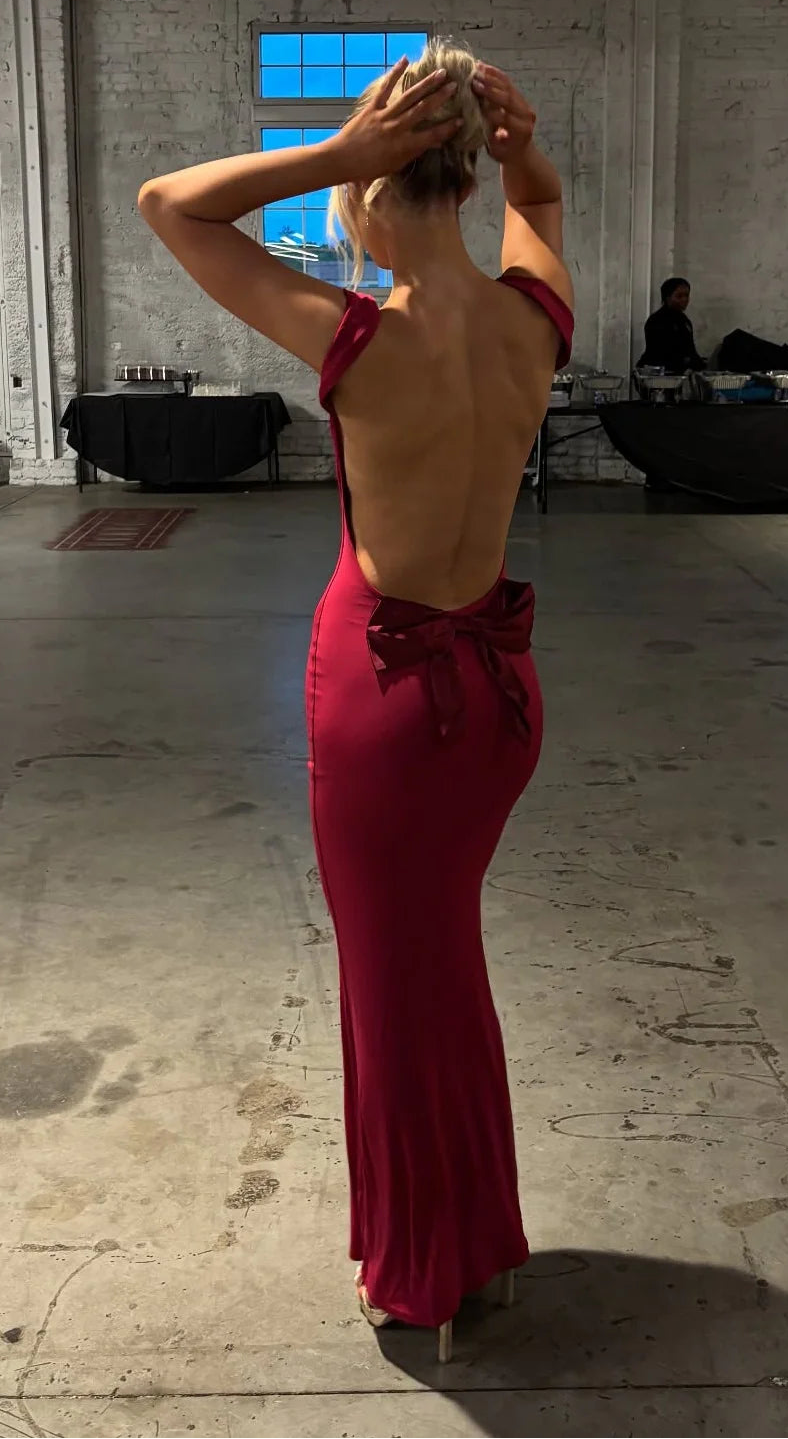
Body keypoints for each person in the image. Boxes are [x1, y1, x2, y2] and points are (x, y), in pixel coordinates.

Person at [138, 43, 573, 1357]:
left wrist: (336, 152)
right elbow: (542, 209)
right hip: (496, 696)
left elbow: (171, 204)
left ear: (370, 190)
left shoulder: (354, 333)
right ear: (465, 182)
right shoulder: (529, 319)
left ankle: (422, 1268)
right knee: (441, 965)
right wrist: (521, 152)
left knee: (395, 986)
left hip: (388, 703)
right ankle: (476, 1241)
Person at [640, 277, 705, 373]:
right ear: (667, 298)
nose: (684, 299)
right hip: (659, 374)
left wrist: (700, 365)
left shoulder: (685, 321)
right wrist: (686, 362)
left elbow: (690, 350)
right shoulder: (656, 320)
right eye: (679, 296)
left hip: (679, 373)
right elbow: (660, 353)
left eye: (686, 295)